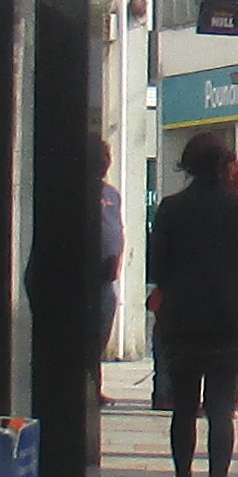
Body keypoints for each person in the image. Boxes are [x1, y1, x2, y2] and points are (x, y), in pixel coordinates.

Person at [147, 144, 238, 477]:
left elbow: (157, 267)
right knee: (221, 411)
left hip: (182, 320)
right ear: (224, 166)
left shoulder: (171, 208)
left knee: (184, 408)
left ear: (186, 166)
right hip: (228, 320)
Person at [96, 138, 126, 360]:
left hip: (106, 280)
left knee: (98, 342)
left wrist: (118, 263)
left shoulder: (111, 195)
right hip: (81, 281)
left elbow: (118, 231)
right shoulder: (73, 192)